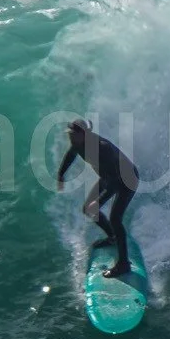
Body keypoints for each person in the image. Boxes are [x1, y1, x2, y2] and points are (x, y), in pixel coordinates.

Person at [57, 119, 139, 280]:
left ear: (85, 134)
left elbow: (116, 180)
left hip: (127, 179)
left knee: (115, 218)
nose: (71, 138)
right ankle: (112, 238)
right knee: (87, 209)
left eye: (74, 135)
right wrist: (61, 175)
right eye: (70, 135)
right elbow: (71, 155)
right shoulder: (78, 143)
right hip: (108, 178)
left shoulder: (102, 148)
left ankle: (124, 264)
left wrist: (100, 200)